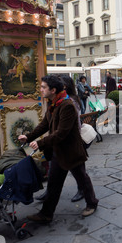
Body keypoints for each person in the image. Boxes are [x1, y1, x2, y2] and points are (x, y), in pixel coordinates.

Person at [18, 75, 97, 223]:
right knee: (54, 183)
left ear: (53, 90)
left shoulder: (67, 105)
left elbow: (61, 133)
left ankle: (92, 203)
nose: (41, 90)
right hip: (58, 152)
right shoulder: (53, 103)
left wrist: (40, 143)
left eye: (43, 87)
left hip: (71, 151)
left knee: (82, 179)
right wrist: (28, 137)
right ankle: (46, 214)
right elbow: (44, 125)